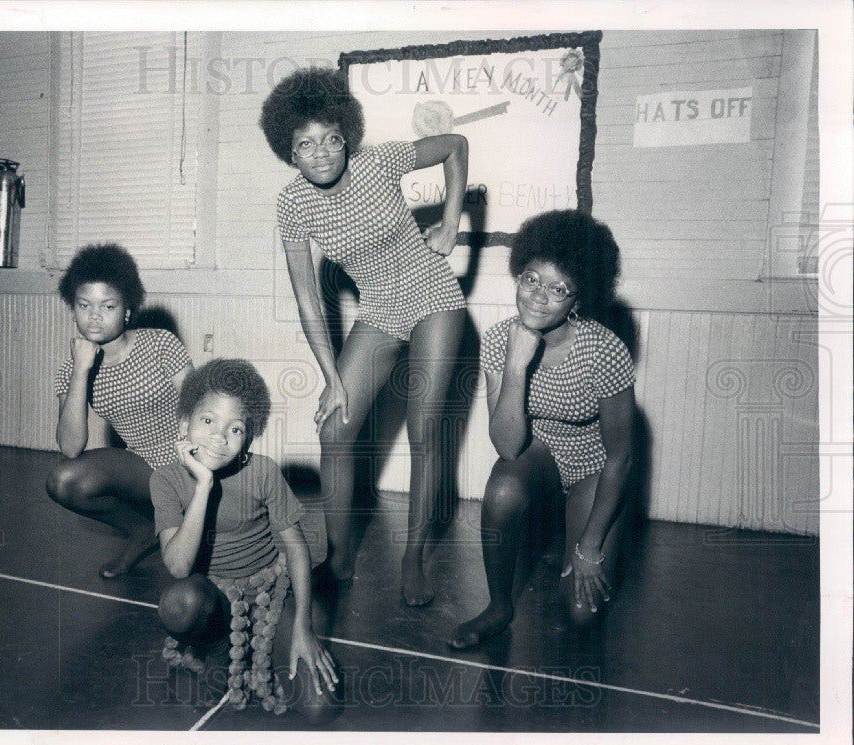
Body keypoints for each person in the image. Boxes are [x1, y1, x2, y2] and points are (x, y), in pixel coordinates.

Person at [260, 67, 469, 606]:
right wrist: (332, 379)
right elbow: (309, 299)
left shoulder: (377, 163)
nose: (322, 153)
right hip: (379, 308)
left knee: (425, 430)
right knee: (335, 429)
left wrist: (450, 222)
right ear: (289, 151)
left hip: (433, 295)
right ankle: (340, 554)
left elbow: (456, 144)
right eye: (305, 145)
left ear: (346, 136)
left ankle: (414, 557)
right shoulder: (292, 204)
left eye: (331, 139)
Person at [448, 209, 635, 649]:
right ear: (518, 274)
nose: (538, 297)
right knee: (501, 489)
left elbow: (621, 457)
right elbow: (508, 446)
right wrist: (516, 362)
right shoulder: (498, 340)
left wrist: (590, 547)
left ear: (578, 299)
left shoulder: (603, 349)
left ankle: (585, 545)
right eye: (531, 279)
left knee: (580, 616)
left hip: (596, 465)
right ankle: (498, 606)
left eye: (558, 289)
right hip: (539, 452)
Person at [152, 359, 340, 723]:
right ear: (183, 423)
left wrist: (304, 627)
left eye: (234, 429)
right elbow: (177, 566)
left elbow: (298, 548)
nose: (219, 437)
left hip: (270, 589)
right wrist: (204, 484)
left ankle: (265, 643)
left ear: (248, 438)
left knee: (321, 709)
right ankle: (215, 645)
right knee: (180, 604)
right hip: (212, 594)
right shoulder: (166, 480)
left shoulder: (264, 471)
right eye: (207, 421)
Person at [46, 243, 193, 578]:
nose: (95, 315)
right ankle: (144, 530)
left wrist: (195, 471)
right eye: (85, 305)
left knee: (192, 572)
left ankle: (180, 523)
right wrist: (82, 370)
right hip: (142, 466)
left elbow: (196, 406)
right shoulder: (71, 371)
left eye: (107, 305)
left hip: (188, 459)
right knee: (63, 480)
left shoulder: (159, 343)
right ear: (73, 310)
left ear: (126, 309)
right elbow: (70, 448)